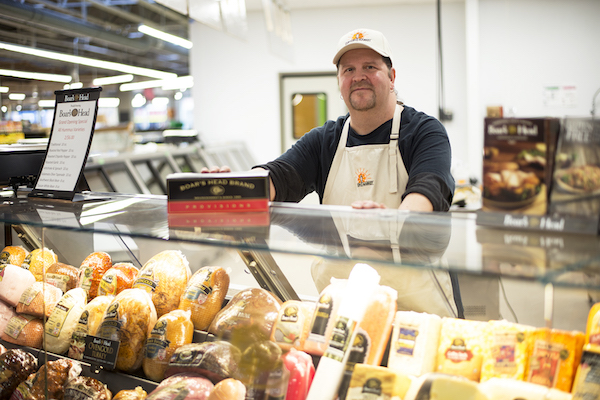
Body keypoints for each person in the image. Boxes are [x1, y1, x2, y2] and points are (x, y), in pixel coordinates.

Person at [204, 28, 454, 212]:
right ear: (339, 82)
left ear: (392, 77)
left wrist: (394, 224)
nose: (358, 77)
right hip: (340, 281)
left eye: (370, 67)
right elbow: (280, 176)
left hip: (409, 280)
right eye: (348, 70)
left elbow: (429, 189)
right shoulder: (324, 140)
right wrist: (233, 187)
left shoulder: (424, 132)